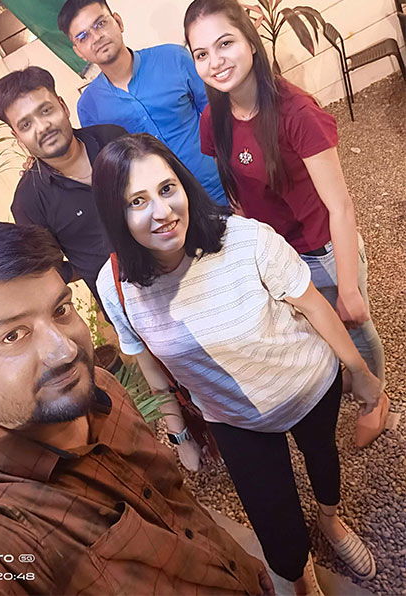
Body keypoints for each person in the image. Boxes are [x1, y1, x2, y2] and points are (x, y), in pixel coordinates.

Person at [0, 222, 273, 596]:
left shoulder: (99, 389)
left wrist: (244, 567)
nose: (64, 350)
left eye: (60, 310)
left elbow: (176, 505)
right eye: (13, 335)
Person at [92, 133, 382, 595]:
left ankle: (330, 519)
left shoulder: (246, 239)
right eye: (137, 201)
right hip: (232, 416)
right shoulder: (116, 285)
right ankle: (297, 574)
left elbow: (313, 305)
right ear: (115, 213)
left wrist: (360, 373)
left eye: (167, 189)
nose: (162, 212)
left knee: (323, 459)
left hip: (306, 383)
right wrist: (180, 433)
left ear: (184, 185)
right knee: (272, 517)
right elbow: (148, 362)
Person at [183, 0, 389, 448]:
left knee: (354, 322)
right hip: (279, 253)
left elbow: (341, 206)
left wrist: (349, 286)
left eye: (225, 43)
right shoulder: (213, 117)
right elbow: (237, 189)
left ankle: (375, 397)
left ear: (250, 40)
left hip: (322, 246)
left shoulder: (297, 113)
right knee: (315, 327)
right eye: (201, 53)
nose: (215, 61)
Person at [57, 0, 226, 205]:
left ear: (118, 22)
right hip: (163, 210)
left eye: (100, 23)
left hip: (221, 189)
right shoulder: (89, 106)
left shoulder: (174, 58)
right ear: (78, 51)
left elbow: (221, 117)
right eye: (83, 36)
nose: (96, 37)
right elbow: (112, 167)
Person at [0, 66, 125, 304]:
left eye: (46, 110)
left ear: (62, 106)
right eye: (26, 125)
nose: (42, 127)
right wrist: (90, 267)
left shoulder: (113, 139)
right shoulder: (29, 201)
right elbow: (46, 269)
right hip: (127, 310)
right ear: (17, 137)